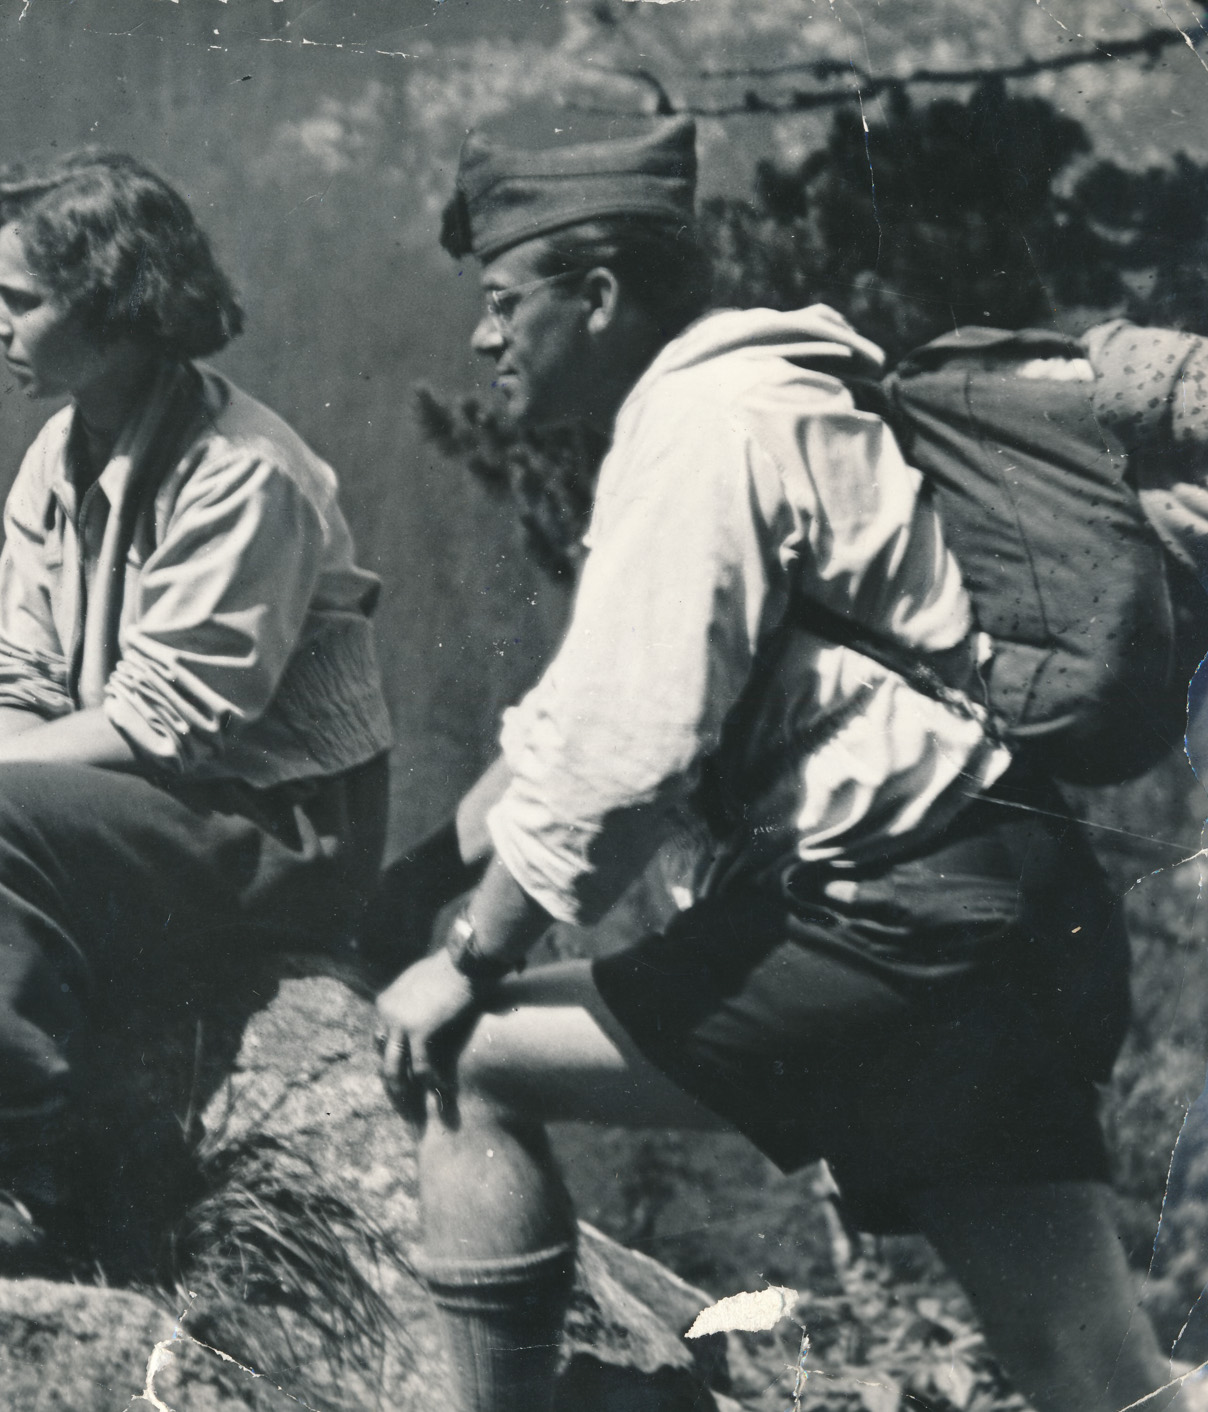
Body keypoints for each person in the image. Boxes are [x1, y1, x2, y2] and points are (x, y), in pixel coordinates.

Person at [375, 118, 1204, 1412]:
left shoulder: (702, 427)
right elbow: (566, 729)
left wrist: (466, 955)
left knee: (467, 1057)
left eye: (500, 300)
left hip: (895, 919)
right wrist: (415, 880)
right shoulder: (765, 398)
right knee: (1093, 1373)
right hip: (1015, 899)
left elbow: (627, 753)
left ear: (598, 295)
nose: (483, 339)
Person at [0, 149, 393, 1277]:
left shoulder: (241, 472)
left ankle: (22, 1182)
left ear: (117, 307)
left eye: (19, 301)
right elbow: (22, 682)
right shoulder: (57, 457)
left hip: (278, 827)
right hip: (148, 804)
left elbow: (176, 717)